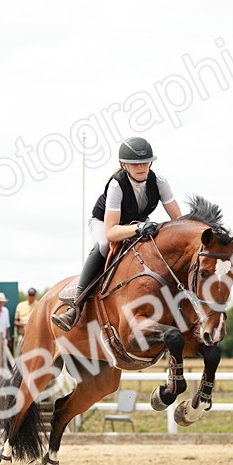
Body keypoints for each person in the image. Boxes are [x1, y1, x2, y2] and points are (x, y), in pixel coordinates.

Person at [51, 137, 183, 331]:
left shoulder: (160, 181)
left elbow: (178, 221)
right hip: (106, 224)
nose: (141, 167)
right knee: (103, 246)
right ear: (123, 164)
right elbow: (111, 232)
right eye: (135, 163)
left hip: (137, 224)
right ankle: (75, 305)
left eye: (146, 162)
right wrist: (139, 229)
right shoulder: (116, 185)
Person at [0, 292, 11, 368]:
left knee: (4, 362)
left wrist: (8, 339)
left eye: (2, 302)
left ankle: (6, 378)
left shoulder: (5, 311)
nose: (0, 303)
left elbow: (7, 326)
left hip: (3, 340)